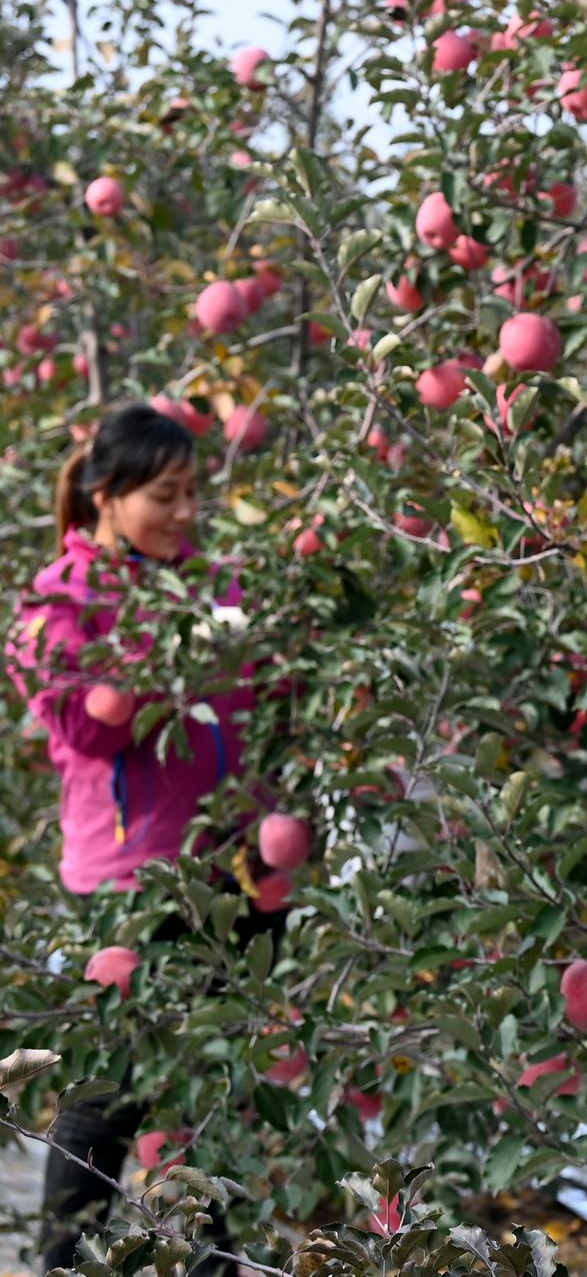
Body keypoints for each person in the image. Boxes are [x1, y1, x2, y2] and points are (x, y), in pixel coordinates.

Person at [7, 403, 279, 1276]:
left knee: (214, 1103)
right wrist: (162, 654)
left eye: (194, 493)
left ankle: (215, 1269)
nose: (187, 512)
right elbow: (86, 732)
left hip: (233, 870)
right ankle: (60, 1266)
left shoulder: (216, 582)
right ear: (106, 495)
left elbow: (272, 697)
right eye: (166, 495)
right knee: (108, 1105)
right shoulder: (58, 601)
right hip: (131, 883)